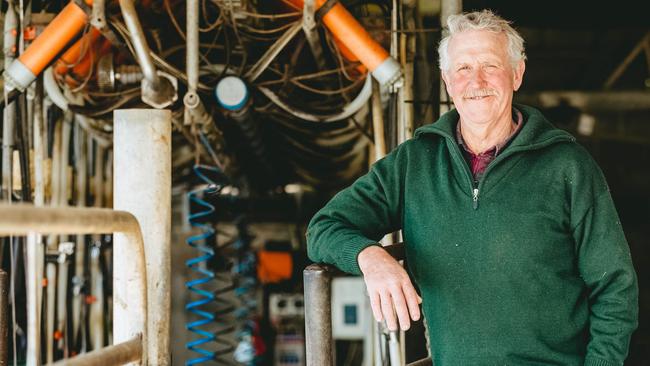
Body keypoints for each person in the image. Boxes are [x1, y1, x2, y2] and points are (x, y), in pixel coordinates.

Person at [306, 10, 638, 366]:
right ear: (448, 80)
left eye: (490, 66)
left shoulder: (568, 166)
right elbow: (323, 228)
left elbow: (616, 289)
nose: (476, 81)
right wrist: (370, 257)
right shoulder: (414, 163)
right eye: (463, 68)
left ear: (517, 74)